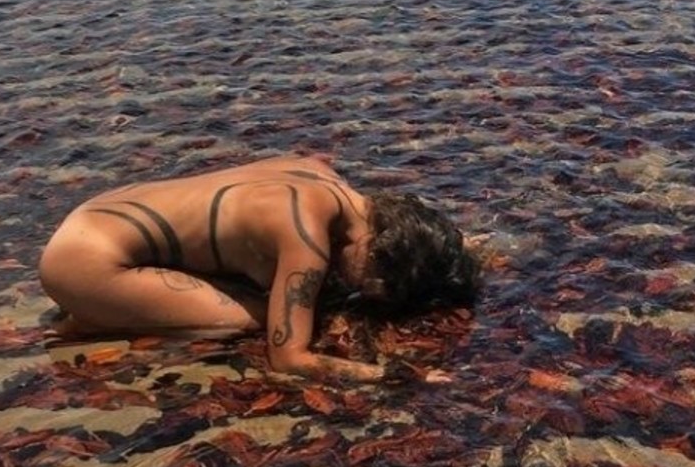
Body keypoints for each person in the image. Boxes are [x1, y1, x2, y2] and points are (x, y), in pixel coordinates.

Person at [38, 154, 479, 383]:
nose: (357, 286)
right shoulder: (306, 237)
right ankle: (90, 322)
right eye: (371, 284)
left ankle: (115, 305)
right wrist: (393, 375)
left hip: (95, 215)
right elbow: (288, 360)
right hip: (84, 264)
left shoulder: (318, 174)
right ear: (380, 254)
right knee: (255, 319)